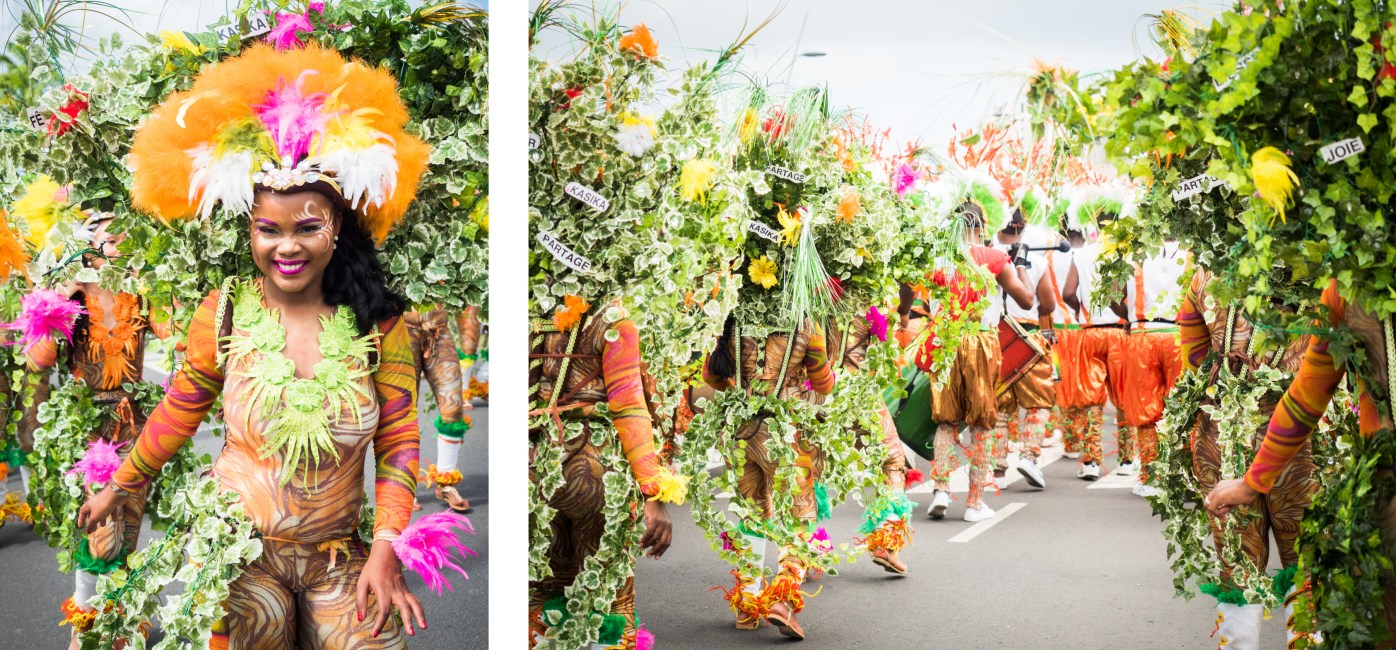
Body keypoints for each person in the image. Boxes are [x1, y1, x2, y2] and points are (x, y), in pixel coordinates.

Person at [77, 43, 440, 647]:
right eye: (268, 230)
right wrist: (124, 482)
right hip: (241, 557)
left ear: (337, 228)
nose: (286, 247)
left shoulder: (381, 326)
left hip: (339, 556)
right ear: (250, 230)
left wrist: (387, 548)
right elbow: (180, 408)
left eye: (307, 227)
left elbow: (400, 441)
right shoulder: (222, 313)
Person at [30, 214, 170, 647]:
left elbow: (177, 337)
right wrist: (59, 305)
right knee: (94, 529)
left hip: (134, 423)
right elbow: (39, 361)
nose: (119, 238)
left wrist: (166, 294)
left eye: (125, 230)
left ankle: (118, 626)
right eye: (109, 232)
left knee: (126, 528)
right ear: (89, 241)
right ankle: (85, 628)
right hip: (84, 425)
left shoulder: (140, 290)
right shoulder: (72, 292)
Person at [1178, 268, 1313, 646]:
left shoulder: (1206, 275)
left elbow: (1194, 353)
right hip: (1301, 438)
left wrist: (1228, 378)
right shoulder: (1321, 270)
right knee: (1307, 566)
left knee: (1238, 566)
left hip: (1223, 438)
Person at [703, 311, 836, 638]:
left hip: (742, 430)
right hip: (785, 430)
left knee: (753, 513)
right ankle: (783, 598)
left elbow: (711, 376)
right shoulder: (805, 322)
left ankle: (747, 604)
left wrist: (743, 385)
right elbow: (824, 383)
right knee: (799, 516)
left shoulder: (733, 316)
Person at [922, 201, 1035, 522]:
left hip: (944, 341)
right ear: (981, 227)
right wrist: (1021, 264)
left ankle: (941, 489)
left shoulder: (936, 259)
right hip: (980, 342)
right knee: (982, 423)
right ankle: (973, 503)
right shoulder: (994, 258)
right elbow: (1026, 299)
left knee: (945, 420)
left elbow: (908, 292)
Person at [988, 212, 1059, 489]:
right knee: (1040, 402)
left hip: (996, 337)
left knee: (999, 406)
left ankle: (998, 470)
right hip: (1029, 340)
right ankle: (1029, 456)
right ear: (1024, 225)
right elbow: (1047, 305)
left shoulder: (985, 256)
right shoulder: (1038, 262)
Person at [1063, 214, 1135, 480]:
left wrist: (1081, 311)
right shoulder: (1124, 252)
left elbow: (1068, 293)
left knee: (1091, 400)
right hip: (1119, 332)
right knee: (1124, 397)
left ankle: (1091, 461)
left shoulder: (1081, 254)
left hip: (1090, 332)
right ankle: (1127, 460)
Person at [1116, 239, 1188, 497]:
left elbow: (1114, 296)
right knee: (1181, 407)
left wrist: (1128, 317)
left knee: (1145, 408)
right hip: (1181, 336)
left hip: (1143, 335)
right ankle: (1182, 476)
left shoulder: (1131, 250)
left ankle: (1151, 477)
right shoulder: (1194, 251)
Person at [404, 308, 471, 512]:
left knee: (453, 408)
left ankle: (446, 482)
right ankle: (403, 488)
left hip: (438, 329)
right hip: (402, 329)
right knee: (402, 412)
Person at [1045, 227, 1087, 459]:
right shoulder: (1088, 255)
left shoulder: (1048, 256)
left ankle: (1052, 432)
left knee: (1055, 382)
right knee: (1080, 385)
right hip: (1080, 329)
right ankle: (1075, 440)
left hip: (1054, 330)